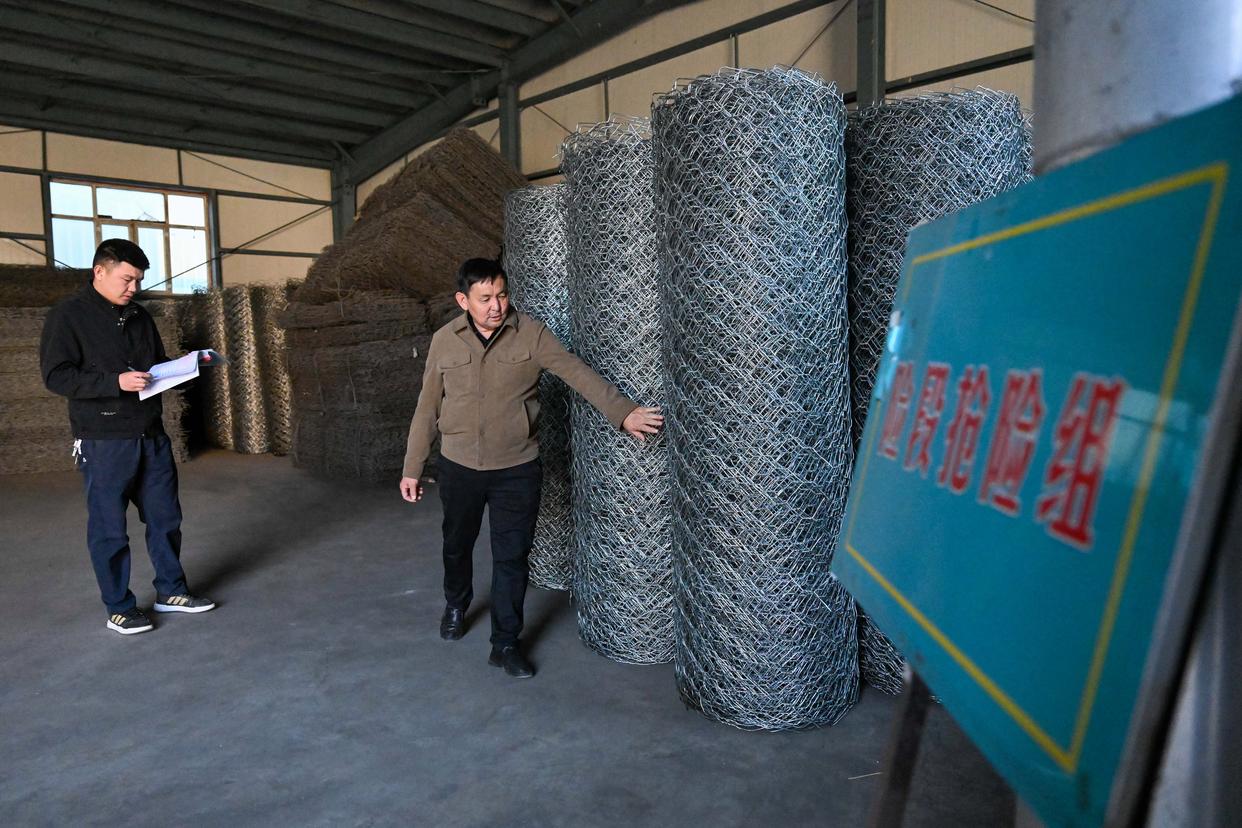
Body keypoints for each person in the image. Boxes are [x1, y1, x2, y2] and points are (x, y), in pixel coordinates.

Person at [400, 258, 662, 678]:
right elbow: (427, 406)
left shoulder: (531, 334)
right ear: (463, 301)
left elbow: (577, 373)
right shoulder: (444, 341)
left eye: (502, 295)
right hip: (459, 467)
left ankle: (505, 643)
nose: (496, 306)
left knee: (512, 556)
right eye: (485, 298)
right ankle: (456, 603)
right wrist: (412, 466)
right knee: (457, 544)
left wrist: (623, 411)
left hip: (516, 469)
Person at [40, 239, 214, 635]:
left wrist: (188, 368)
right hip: (104, 439)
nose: (133, 287)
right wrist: (115, 382)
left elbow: (155, 367)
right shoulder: (68, 316)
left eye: (138, 280)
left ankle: (171, 591)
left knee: (165, 518)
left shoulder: (139, 316)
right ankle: (119, 607)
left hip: (150, 433)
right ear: (99, 271)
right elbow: (56, 376)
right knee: (109, 528)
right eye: (127, 279)